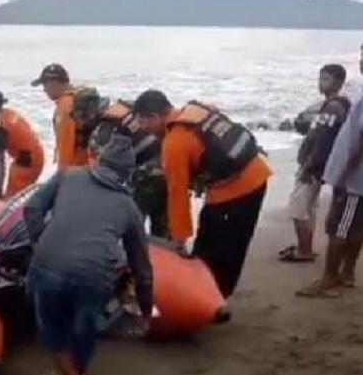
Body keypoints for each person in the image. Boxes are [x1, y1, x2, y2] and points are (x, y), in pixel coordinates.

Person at [23, 135, 153, 375]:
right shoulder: (129, 207)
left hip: (48, 264)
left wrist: (39, 241)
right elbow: (142, 267)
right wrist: (145, 309)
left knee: (51, 327)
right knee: (85, 328)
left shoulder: (68, 175)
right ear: (127, 174)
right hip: (93, 277)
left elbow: (32, 207)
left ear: (99, 160)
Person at [133, 90, 272, 298]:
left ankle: (212, 299)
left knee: (216, 250)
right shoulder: (195, 109)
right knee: (232, 243)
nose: (142, 128)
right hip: (257, 172)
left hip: (236, 190)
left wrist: (179, 238)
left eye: (143, 122)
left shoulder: (174, 143)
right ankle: (215, 295)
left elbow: (177, 193)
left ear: (155, 116)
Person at [300, 45, 363, 298]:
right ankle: (347, 273)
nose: (361, 62)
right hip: (355, 178)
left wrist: (344, 174)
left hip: (354, 179)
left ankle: (329, 277)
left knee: (338, 227)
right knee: (356, 226)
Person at [72, 87, 169, 238]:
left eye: (80, 117)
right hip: (168, 164)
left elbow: (104, 172)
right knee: (163, 226)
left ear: (87, 114)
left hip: (148, 174)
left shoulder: (103, 129)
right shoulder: (126, 109)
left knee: (129, 224)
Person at [280, 64, 350, 263]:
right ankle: (306, 247)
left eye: (326, 79)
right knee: (308, 208)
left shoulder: (333, 107)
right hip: (318, 166)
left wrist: (309, 167)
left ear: (338, 82)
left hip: (313, 167)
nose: (321, 83)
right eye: (320, 79)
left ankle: (304, 250)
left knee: (297, 209)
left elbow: (324, 141)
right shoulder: (333, 105)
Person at [0, 88, 45, 197]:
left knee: (13, 198)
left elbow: (0, 160)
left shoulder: (0, 127)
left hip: (26, 162)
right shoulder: (9, 113)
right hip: (38, 155)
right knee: (22, 194)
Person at [31, 63, 87, 171]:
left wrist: (61, 178)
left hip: (79, 170)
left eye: (45, 85)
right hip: (93, 167)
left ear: (54, 82)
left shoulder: (65, 108)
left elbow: (66, 149)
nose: (44, 90)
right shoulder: (77, 97)